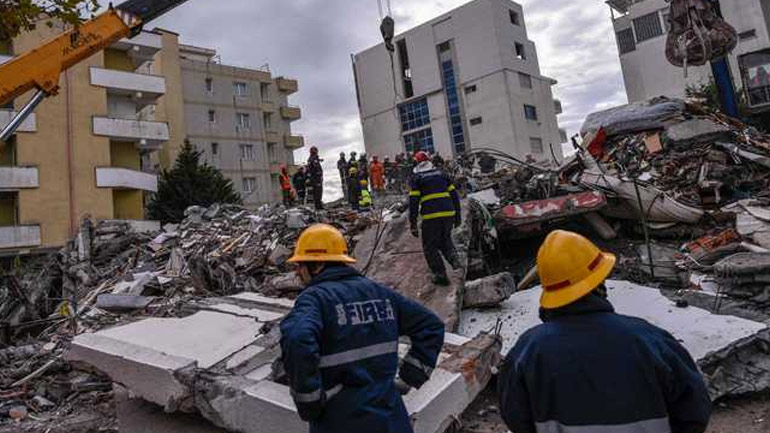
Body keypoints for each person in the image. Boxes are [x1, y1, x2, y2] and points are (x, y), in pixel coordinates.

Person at [498, 230, 712, 433]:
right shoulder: (650, 340)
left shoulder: (528, 351)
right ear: (599, 282)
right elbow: (695, 411)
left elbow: (516, 417)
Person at [280, 224, 445, 433]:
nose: (297, 273)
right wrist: (409, 378)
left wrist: (309, 401)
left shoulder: (315, 299)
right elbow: (431, 326)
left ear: (318, 264)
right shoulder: (379, 292)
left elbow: (297, 338)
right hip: (391, 418)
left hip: (341, 420)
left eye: (300, 266)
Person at [409, 151, 462, 286]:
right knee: (445, 240)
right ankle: (455, 260)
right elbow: (454, 195)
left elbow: (413, 202)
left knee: (430, 247)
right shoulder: (442, 174)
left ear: (416, 162)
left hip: (431, 216)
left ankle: (440, 275)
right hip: (448, 214)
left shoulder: (417, 178)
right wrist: (457, 216)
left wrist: (413, 223)